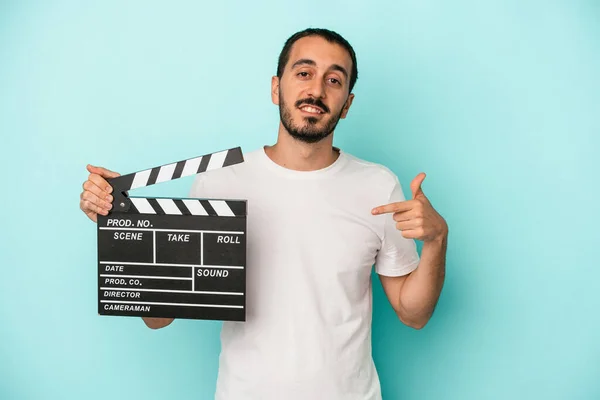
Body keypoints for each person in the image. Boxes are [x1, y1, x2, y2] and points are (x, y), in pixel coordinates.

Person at [79, 28, 448, 400]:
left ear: (347, 104)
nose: (316, 90)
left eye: (333, 80)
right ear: (276, 88)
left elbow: (412, 312)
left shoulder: (377, 185)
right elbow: (158, 318)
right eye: (304, 73)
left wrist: (436, 241)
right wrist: (119, 225)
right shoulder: (220, 182)